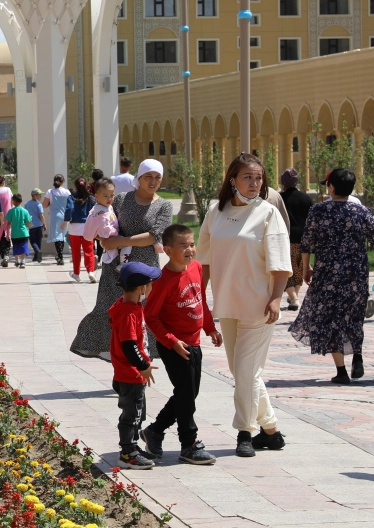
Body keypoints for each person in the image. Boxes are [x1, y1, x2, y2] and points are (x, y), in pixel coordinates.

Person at [199, 153, 291, 457]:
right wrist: (199, 298)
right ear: (233, 180)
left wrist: (276, 298)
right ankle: (272, 431)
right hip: (226, 303)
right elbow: (204, 261)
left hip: (259, 306)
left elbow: (280, 263)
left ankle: (244, 432)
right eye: (248, 177)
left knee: (246, 372)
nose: (254, 183)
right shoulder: (216, 212)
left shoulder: (268, 213)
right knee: (243, 373)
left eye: (259, 177)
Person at [71, 159, 172, 360]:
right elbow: (104, 221)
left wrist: (120, 241)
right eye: (148, 177)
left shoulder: (164, 206)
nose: (153, 181)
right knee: (110, 311)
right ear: (139, 178)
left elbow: (154, 236)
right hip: (116, 268)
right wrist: (103, 239)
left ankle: (140, 365)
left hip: (145, 270)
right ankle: (120, 365)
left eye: (157, 178)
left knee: (142, 316)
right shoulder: (121, 199)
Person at [139, 224, 221, 465]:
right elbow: (150, 316)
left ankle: (155, 430)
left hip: (194, 343)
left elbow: (200, 300)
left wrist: (210, 328)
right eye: (183, 245)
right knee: (186, 394)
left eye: (192, 244)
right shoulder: (163, 280)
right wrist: (172, 342)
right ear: (167, 250)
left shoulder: (196, 268)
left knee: (189, 393)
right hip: (174, 345)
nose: (190, 250)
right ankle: (189, 443)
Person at [290, 168, 374, 384]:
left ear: (332, 187)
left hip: (327, 274)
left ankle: (342, 371)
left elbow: (307, 243)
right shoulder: (362, 211)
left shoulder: (319, 211)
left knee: (332, 318)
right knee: (354, 315)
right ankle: (357, 356)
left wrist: (307, 268)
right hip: (356, 274)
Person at [108, 262, 162, 470]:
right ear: (141, 289)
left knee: (138, 412)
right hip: (130, 374)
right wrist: (142, 366)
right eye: (150, 284)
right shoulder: (129, 313)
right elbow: (129, 345)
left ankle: (133, 447)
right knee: (132, 414)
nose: (151, 288)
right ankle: (127, 453)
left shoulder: (127, 305)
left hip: (131, 373)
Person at [279, 168, 314, 311]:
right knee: (299, 268)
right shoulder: (306, 198)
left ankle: (294, 298)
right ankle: (294, 296)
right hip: (303, 239)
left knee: (285, 268)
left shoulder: (279, 198)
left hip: (285, 238)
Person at [84, 179, 124, 266]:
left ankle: (118, 261)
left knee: (122, 248)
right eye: (105, 196)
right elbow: (103, 227)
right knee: (124, 247)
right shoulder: (100, 212)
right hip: (108, 236)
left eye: (112, 195)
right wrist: (115, 234)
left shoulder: (107, 206)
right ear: (97, 197)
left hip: (111, 235)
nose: (109, 198)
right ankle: (122, 263)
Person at [64, 178, 97, 283]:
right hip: (88, 227)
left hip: (74, 228)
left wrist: (66, 220)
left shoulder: (71, 197)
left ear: (75, 186)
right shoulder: (91, 198)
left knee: (76, 252)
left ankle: (76, 273)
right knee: (89, 250)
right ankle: (90, 271)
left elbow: (69, 209)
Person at [43, 175, 71, 266]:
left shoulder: (50, 192)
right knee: (62, 235)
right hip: (64, 215)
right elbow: (70, 204)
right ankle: (60, 254)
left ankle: (60, 256)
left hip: (55, 216)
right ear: (63, 181)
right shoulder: (67, 192)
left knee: (56, 236)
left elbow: (44, 205)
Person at [6, 193, 32, 268]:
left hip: (15, 233)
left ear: (13, 201)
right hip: (24, 233)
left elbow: (8, 223)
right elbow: (28, 223)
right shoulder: (25, 211)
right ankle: (23, 261)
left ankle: (17, 261)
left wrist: (8, 234)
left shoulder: (11, 211)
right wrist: (30, 218)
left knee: (16, 247)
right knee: (24, 247)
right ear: (22, 201)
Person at [25, 188, 45, 263]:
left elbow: (26, 215)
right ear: (34, 195)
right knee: (38, 240)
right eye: (39, 195)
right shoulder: (39, 204)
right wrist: (44, 223)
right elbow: (41, 215)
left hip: (31, 225)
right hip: (39, 225)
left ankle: (36, 255)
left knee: (33, 241)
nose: (41, 196)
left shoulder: (27, 204)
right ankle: (38, 252)